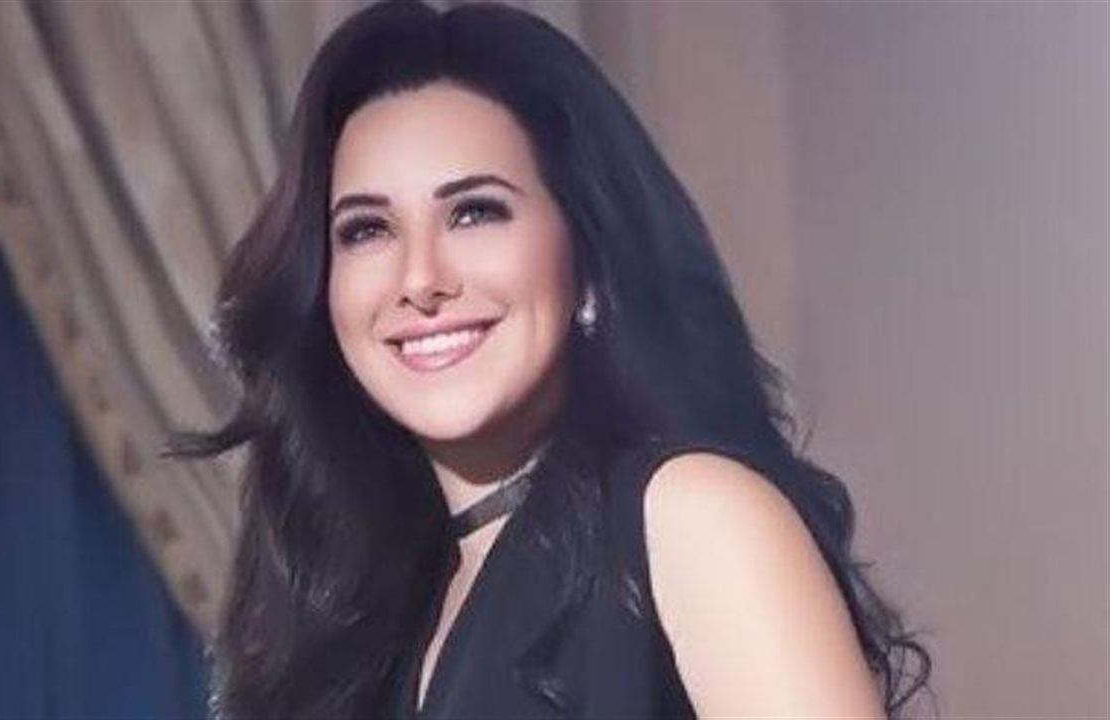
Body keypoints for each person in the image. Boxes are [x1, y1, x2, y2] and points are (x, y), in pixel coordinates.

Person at [172, 1, 933, 718]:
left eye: (475, 212)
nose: (420, 279)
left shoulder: (689, 514)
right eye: (367, 230)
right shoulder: (367, 607)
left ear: (588, 260)